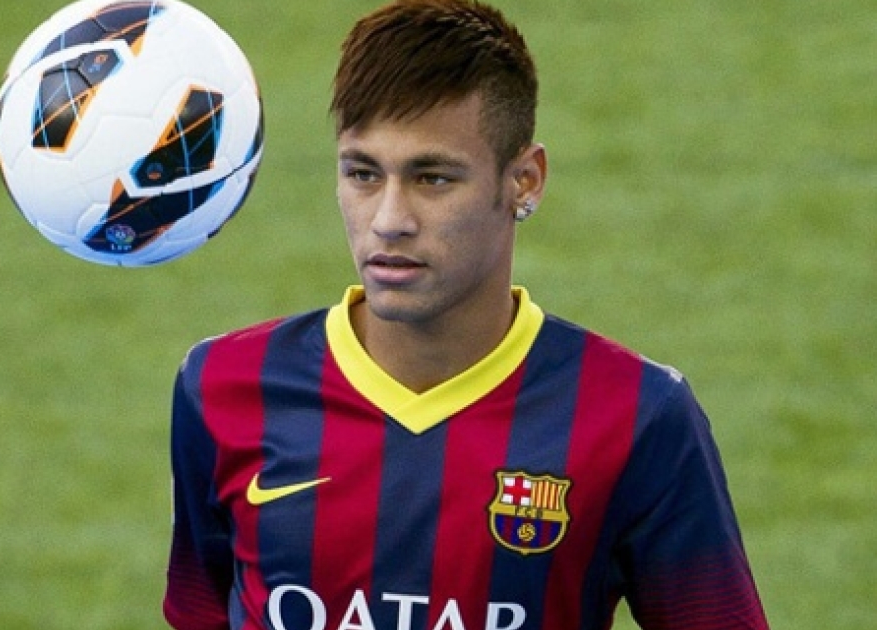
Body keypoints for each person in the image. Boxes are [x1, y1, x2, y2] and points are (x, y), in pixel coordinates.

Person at [162, 1, 770, 628]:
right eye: (363, 173)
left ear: (524, 181)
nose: (389, 220)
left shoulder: (636, 416)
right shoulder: (222, 387)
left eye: (432, 178)